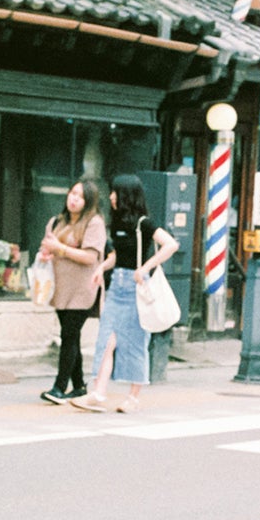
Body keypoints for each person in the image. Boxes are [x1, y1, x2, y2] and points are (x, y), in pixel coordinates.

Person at [70, 174, 178, 415]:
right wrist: (102, 267)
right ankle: (98, 393)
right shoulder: (118, 222)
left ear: (126, 195)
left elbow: (171, 244)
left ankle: (133, 397)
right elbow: (120, 255)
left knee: (135, 344)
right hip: (117, 286)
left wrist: (145, 268)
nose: (111, 197)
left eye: (115, 192)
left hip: (136, 289)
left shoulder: (144, 223)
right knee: (106, 340)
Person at [38, 180, 107, 404]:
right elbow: (46, 247)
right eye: (72, 193)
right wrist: (46, 253)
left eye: (80, 196)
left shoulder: (94, 223)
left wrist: (61, 249)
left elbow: (90, 257)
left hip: (82, 289)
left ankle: (59, 387)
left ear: (88, 201)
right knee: (71, 335)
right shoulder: (57, 221)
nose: (73, 198)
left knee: (68, 335)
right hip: (59, 288)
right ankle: (78, 386)